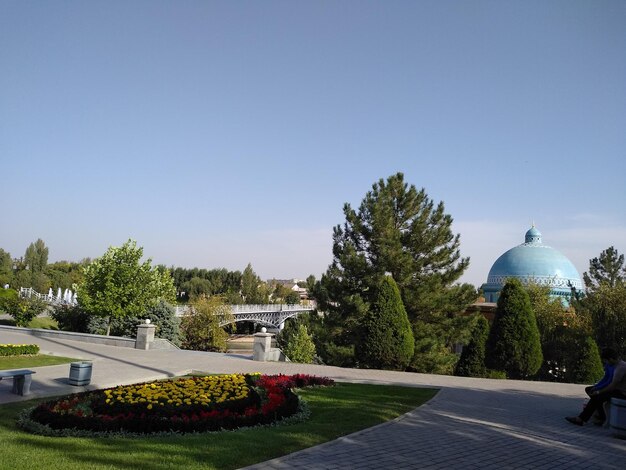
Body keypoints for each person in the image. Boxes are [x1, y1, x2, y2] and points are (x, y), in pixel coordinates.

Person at [566, 348, 626, 426]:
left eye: (606, 361)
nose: (606, 363)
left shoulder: (620, 368)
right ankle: (595, 417)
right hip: (618, 391)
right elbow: (607, 380)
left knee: (597, 396)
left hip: (622, 394)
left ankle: (583, 419)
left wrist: (598, 391)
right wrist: (597, 388)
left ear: (611, 359)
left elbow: (612, 386)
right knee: (596, 397)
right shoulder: (619, 365)